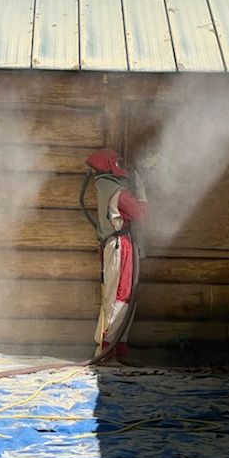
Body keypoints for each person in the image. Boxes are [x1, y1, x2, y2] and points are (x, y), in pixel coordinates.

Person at [84, 148, 148, 364]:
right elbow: (141, 213)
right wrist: (141, 187)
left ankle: (116, 350)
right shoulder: (116, 191)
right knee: (119, 298)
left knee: (122, 298)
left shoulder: (105, 186)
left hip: (118, 245)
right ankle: (107, 351)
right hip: (120, 246)